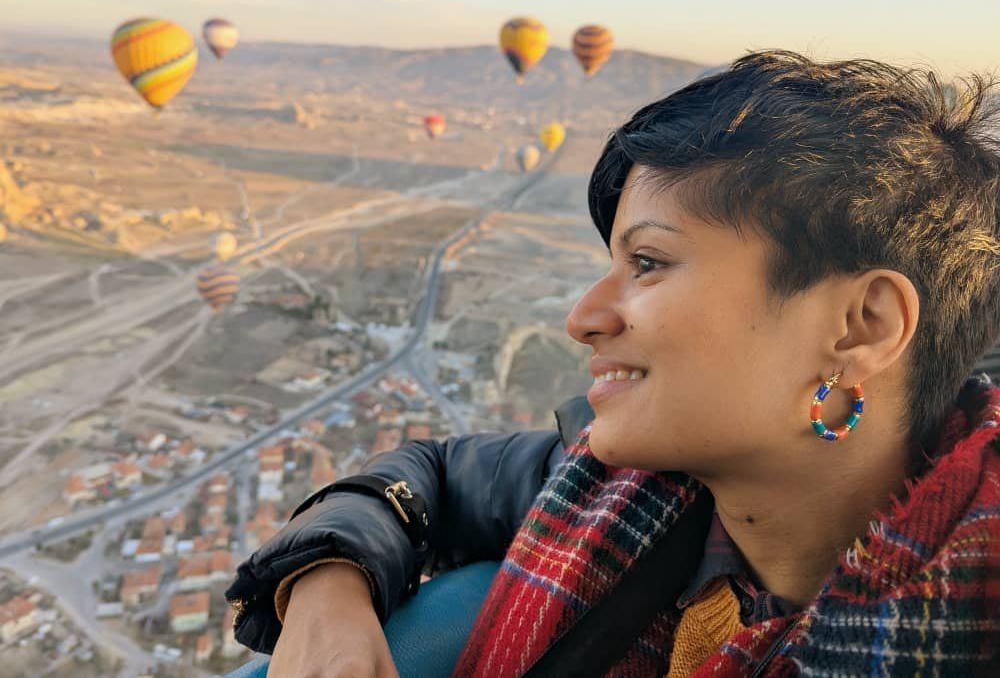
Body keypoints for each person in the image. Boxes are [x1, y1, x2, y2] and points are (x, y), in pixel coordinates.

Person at [226, 51, 1000, 676]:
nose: (584, 319)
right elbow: (421, 477)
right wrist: (327, 587)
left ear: (861, 325)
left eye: (651, 262)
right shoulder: (612, 485)